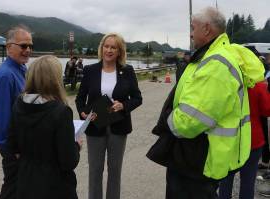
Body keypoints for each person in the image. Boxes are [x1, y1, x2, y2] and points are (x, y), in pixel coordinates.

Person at [161, 7, 264, 198]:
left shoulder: (216, 63)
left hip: (198, 158)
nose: (191, 34)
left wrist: (167, 120)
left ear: (207, 29)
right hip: (203, 154)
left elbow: (189, 122)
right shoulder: (217, 56)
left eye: (193, 28)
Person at [75, 32, 142, 199]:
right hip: (95, 126)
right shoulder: (90, 70)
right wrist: (83, 112)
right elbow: (80, 98)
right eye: (106, 46)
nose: (109, 50)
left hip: (118, 127)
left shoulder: (127, 71)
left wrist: (124, 105)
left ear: (119, 51)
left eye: (114, 47)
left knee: (115, 171)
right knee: (95, 170)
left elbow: (137, 98)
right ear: (101, 48)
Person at [6, 55, 82, 199]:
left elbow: (11, 146)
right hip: (55, 186)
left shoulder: (18, 104)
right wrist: (76, 145)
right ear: (54, 79)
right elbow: (68, 162)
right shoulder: (61, 112)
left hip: (25, 182)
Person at [0, 25, 32, 199]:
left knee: (21, 187)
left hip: (23, 143)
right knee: (12, 187)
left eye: (30, 46)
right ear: (9, 47)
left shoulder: (21, 69)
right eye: (23, 46)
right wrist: (11, 150)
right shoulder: (5, 75)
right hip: (15, 148)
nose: (27, 50)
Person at [218, 54, 270, 198]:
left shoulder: (222, 84)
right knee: (248, 182)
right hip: (253, 141)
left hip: (228, 140)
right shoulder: (258, 85)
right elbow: (267, 110)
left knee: (225, 181)